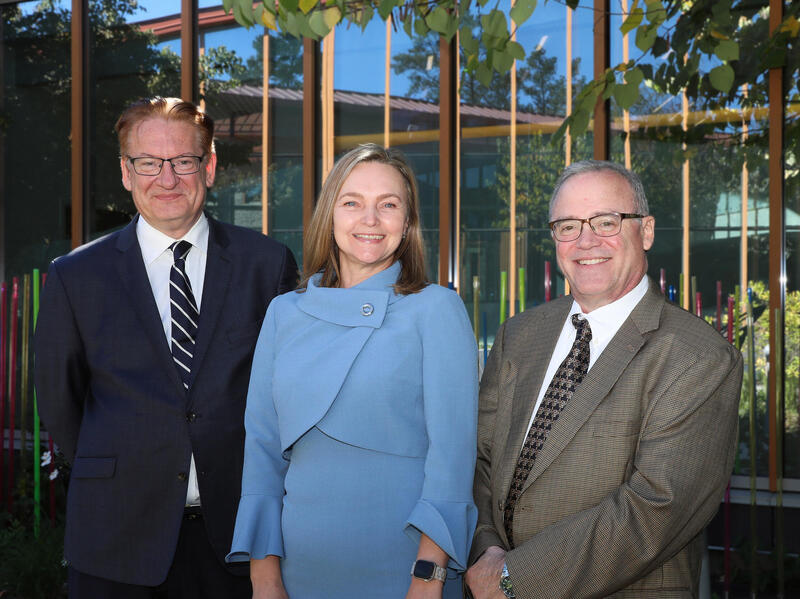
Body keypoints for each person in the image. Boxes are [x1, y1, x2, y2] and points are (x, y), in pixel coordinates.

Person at [34, 97, 298, 599]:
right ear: (126, 172)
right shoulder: (75, 275)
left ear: (210, 166)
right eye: (149, 163)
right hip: (116, 539)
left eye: (182, 162)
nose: (167, 178)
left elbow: (285, 395)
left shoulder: (266, 264)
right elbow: (60, 405)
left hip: (239, 544)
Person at [465, 160, 743, 599]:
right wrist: (486, 552)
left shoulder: (699, 356)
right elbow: (479, 462)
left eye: (606, 221)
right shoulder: (519, 335)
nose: (586, 240)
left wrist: (512, 579)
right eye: (568, 226)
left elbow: (655, 510)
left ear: (646, 231)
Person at [226, 143, 478, 599]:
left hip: (403, 570)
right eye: (352, 203)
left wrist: (428, 578)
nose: (370, 220)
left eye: (389, 205)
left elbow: (453, 459)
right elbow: (262, 450)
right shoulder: (285, 312)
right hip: (300, 570)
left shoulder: (436, 308)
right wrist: (264, 578)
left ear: (407, 222)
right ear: (330, 214)